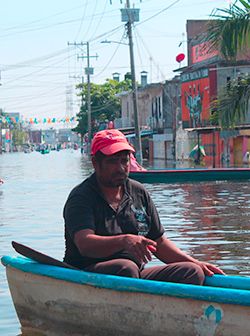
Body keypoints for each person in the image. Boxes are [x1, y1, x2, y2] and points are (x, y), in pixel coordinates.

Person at [63, 129, 224, 285]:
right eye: (112, 161)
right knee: (126, 268)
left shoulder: (138, 192)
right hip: (86, 275)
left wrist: (197, 263)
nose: (120, 168)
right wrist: (125, 241)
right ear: (95, 163)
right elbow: (85, 245)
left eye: (124, 161)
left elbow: (158, 242)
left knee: (192, 272)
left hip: (134, 275)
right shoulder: (81, 197)